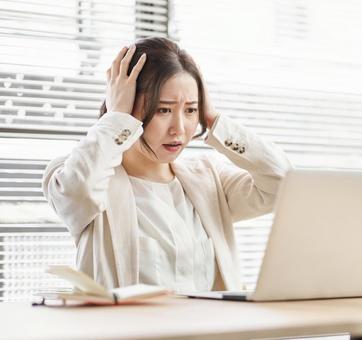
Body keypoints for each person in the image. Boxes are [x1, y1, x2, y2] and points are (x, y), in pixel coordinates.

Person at [42, 37, 292, 292]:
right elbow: (78, 191)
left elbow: (284, 184)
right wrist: (116, 117)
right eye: (163, 110)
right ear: (128, 107)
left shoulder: (208, 178)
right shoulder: (85, 176)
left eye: (190, 110)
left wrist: (216, 121)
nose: (179, 129)